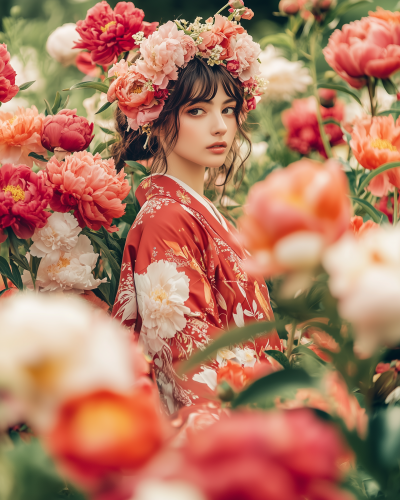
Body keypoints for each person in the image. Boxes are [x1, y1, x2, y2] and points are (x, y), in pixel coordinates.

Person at [110, 5, 282, 415]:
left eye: (227, 109)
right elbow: (191, 360)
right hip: (227, 423)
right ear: (154, 117)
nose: (221, 126)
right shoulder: (164, 218)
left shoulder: (194, 213)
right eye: (197, 111)